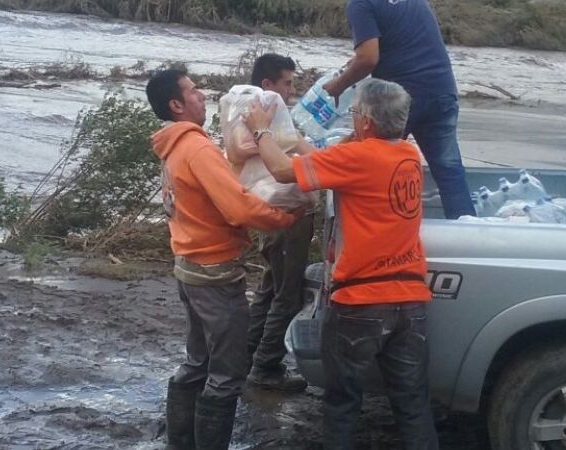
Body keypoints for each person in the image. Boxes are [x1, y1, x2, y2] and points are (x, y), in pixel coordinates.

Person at [245, 78, 439, 450]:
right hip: (410, 299)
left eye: (354, 114)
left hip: (361, 302)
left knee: (343, 404)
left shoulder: (356, 159)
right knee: (413, 404)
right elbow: (327, 157)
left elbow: (284, 172)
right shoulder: (409, 155)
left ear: (365, 120)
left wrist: (261, 130)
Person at [146, 68, 298, 450]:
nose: (202, 96)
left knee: (197, 362)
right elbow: (239, 209)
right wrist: (284, 217)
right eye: (193, 91)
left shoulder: (175, 146)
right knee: (227, 375)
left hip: (189, 266)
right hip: (215, 274)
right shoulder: (197, 149)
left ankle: (180, 443)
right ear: (176, 105)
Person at [322, 0, 475, 220]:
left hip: (398, 99)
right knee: (449, 170)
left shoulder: (360, 4)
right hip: (442, 88)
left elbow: (368, 58)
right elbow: (403, 42)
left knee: (372, 165)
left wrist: (339, 85)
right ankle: (468, 234)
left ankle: (371, 231)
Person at [243, 53, 312, 392]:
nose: (291, 91)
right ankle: (265, 366)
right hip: (287, 213)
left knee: (270, 288)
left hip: (270, 212)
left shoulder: (245, 113)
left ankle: (246, 358)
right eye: (287, 83)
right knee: (287, 293)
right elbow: (302, 158)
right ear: (267, 85)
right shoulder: (265, 119)